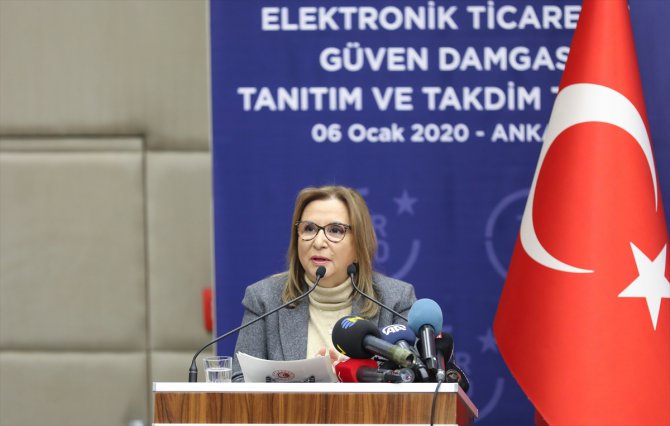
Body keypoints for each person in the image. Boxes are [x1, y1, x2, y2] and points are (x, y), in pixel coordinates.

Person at [231, 185, 417, 382]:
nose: (318, 242)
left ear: (359, 244)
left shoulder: (395, 300)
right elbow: (240, 380)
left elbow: (414, 378)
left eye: (335, 230)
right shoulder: (264, 299)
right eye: (309, 229)